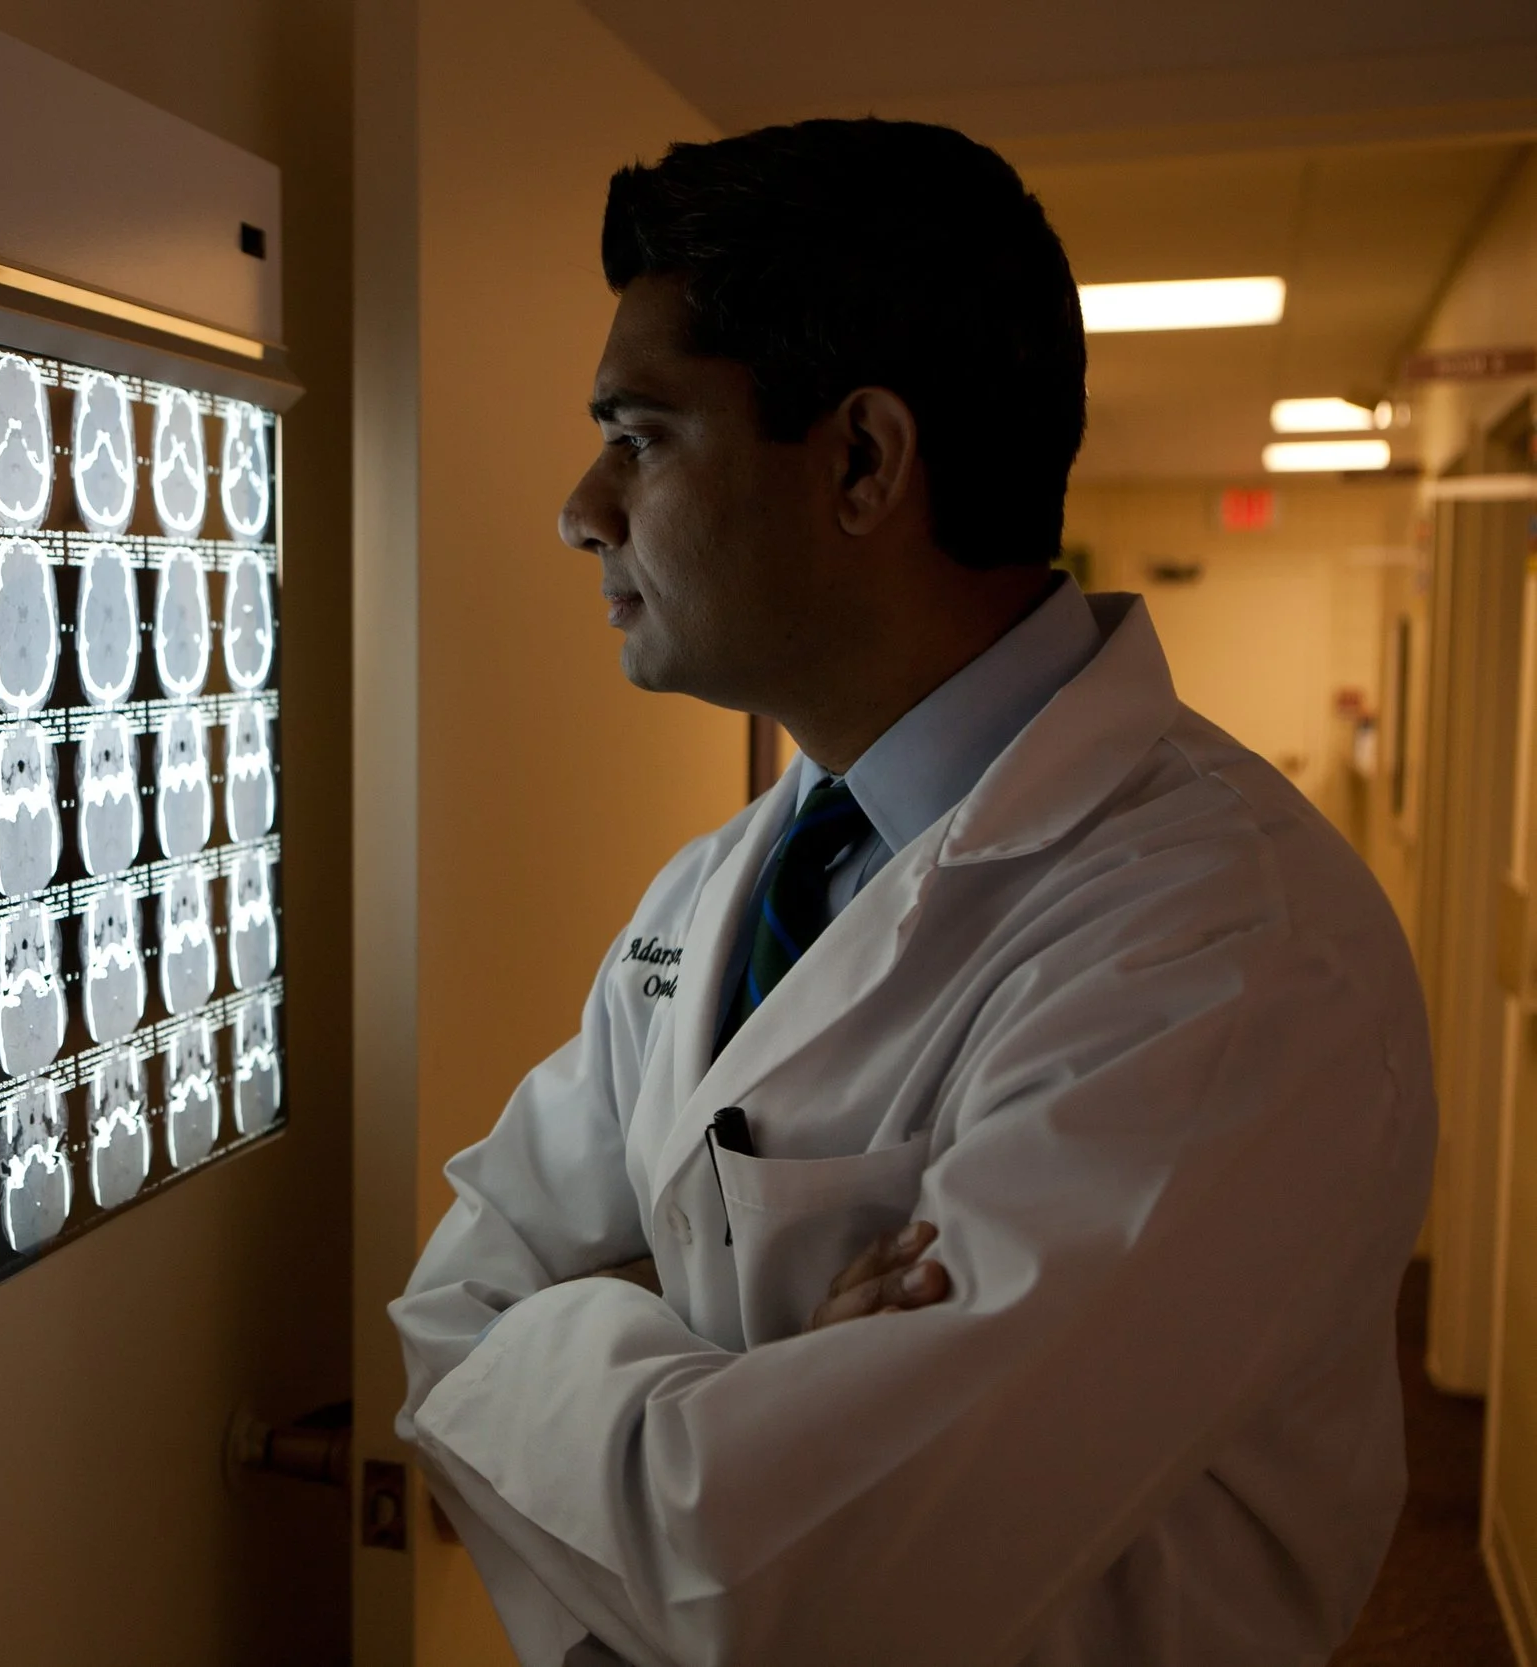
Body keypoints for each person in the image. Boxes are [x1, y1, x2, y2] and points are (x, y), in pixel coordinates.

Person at [389, 119, 1434, 1667]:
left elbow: (803, 1582)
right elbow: (450, 1310)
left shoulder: (1232, 953)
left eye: (645, 434)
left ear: (864, 461)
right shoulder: (721, 887)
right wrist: (747, 1393)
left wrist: (619, 1361)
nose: (582, 505)